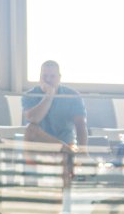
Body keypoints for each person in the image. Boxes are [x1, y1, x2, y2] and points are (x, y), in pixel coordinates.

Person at [21, 59, 88, 188]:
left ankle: (65, 197)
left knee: (64, 159)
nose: (48, 79)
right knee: (31, 129)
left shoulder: (72, 95)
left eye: (52, 76)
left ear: (59, 78)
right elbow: (34, 119)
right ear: (40, 77)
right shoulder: (29, 95)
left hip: (66, 144)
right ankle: (67, 152)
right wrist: (49, 94)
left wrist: (83, 151)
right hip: (41, 146)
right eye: (44, 76)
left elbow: (80, 125)